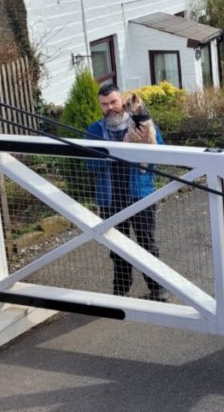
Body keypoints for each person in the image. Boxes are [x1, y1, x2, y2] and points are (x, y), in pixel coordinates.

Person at [87, 82, 167, 301]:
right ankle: (121, 291)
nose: (110, 108)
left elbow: (162, 152)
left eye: (113, 102)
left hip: (140, 193)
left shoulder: (142, 123)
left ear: (122, 100)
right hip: (110, 198)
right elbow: (89, 164)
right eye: (104, 104)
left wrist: (147, 142)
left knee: (146, 244)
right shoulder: (94, 130)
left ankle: (158, 289)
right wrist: (117, 150)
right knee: (117, 248)